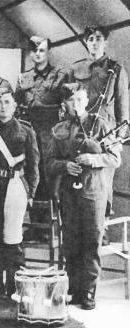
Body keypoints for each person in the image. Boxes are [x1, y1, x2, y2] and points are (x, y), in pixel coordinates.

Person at [46, 83, 121, 310]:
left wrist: (93, 160)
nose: (76, 105)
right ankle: (74, 287)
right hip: (69, 193)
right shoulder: (58, 130)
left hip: (93, 193)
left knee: (91, 241)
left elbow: (114, 158)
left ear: (86, 101)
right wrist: (64, 165)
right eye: (71, 101)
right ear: (65, 104)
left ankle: (88, 289)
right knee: (71, 241)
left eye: (80, 100)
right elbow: (48, 163)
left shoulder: (100, 125)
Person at [0, 89, 39, 297]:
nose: (3, 106)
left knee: (14, 237)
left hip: (16, 185)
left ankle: (14, 284)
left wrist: (31, 193)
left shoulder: (26, 131)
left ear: (15, 105)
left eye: (7, 102)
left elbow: (34, 165)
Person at [69, 25, 129, 244]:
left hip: (105, 134)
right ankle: (81, 230)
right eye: (90, 39)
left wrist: (118, 138)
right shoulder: (76, 69)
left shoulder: (116, 69)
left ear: (106, 42)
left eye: (98, 39)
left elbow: (124, 112)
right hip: (80, 130)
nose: (94, 42)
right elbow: (69, 101)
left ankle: (100, 230)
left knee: (103, 183)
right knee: (78, 179)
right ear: (86, 42)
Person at [14, 36, 69, 241]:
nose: (38, 54)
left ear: (48, 52)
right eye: (35, 50)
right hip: (29, 132)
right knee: (30, 175)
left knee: (49, 177)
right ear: (30, 53)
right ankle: (34, 225)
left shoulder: (60, 75)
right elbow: (17, 105)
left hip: (51, 134)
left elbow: (66, 104)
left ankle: (47, 227)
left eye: (42, 50)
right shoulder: (23, 78)